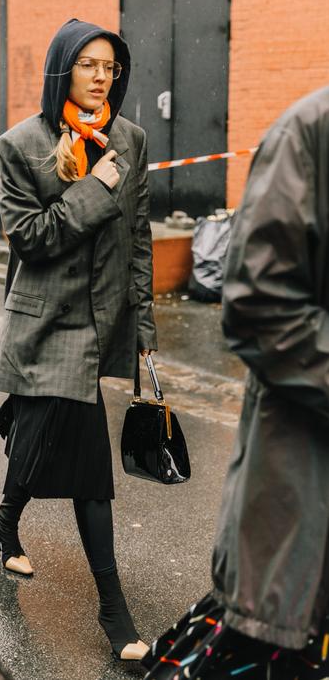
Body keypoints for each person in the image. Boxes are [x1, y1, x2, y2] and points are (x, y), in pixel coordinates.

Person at [142, 86, 329, 678]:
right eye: (89, 66)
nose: (100, 77)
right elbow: (260, 309)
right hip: (306, 501)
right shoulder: (310, 133)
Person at [0, 18, 157, 662]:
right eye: (88, 64)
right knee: (83, 461)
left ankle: (6, 522)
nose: (100, 77)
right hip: (45, 321)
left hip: (101, 320)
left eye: (109, 67)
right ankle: (115, 614)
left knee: (40, 439)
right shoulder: (20, 145)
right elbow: (31, 237)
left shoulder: (130, 139)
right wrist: (96, 186)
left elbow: (138, 234)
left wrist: (144, 325)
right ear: (63, 67)